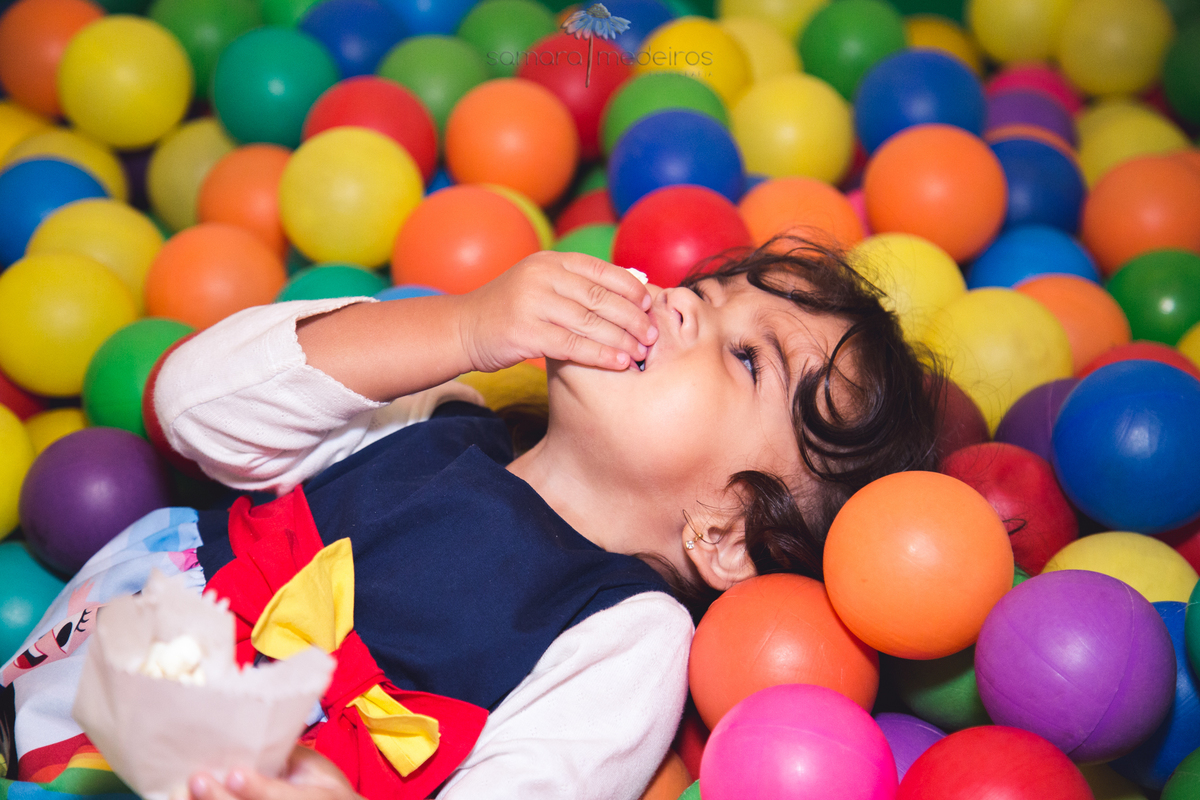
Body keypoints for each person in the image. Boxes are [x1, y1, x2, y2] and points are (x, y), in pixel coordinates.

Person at [3, 238, 940, 800]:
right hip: (91, 685)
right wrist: (461, 326)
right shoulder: (431, 410)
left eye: (747, 359)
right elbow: (191, 408)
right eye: (703, 290)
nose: (683, 305)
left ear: (725, 532)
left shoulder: (628, 635)